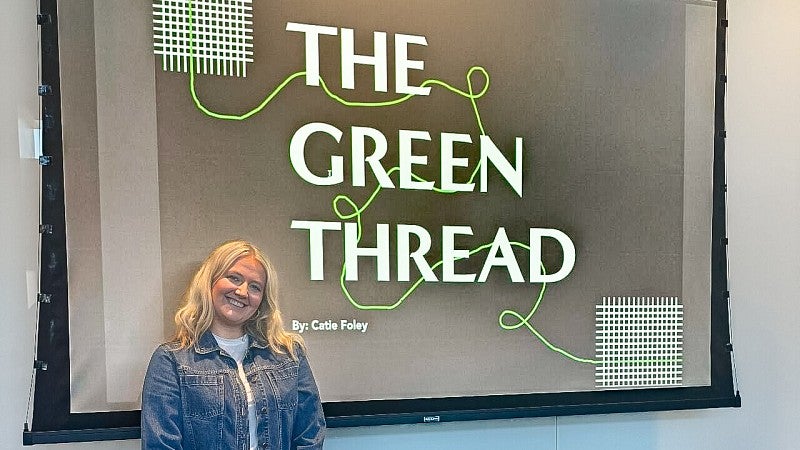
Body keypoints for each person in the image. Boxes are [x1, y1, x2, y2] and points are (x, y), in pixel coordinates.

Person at [141, 240, 325, 449]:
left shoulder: (289, 355)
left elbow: (310, 435)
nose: (242, 292)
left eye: (255, 287)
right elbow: (161, 445)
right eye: (234, 278)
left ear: (262, 301)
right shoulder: (171, 360)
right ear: (210, 282)